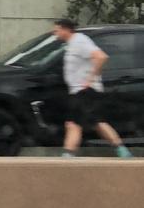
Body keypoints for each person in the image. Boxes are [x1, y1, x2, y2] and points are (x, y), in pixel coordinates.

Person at [53, 18, 132, 158]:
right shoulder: (72, 43)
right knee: (96, 123)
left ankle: (68, 155)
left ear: (66, 29)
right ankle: (121, 150)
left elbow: (101, 57)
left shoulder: (80, 41)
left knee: (73, 123)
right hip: (80, 91)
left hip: (85, 91)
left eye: (57, 30)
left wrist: (90, 79)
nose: (55, 34)